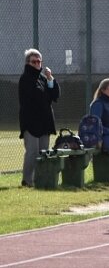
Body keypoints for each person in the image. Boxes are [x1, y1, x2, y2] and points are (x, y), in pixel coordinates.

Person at [18, 49, 60, 187]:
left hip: (44, 121)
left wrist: (50, 79)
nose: (37, 64)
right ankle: (27, 181)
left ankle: (39, 180)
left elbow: (54, 96)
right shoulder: (25, 78)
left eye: (39, 61)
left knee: (43, 152)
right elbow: (32, 98)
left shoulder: (43, 78)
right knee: (32, 152)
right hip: (31, 121)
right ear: (28, 63)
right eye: (34, 61)